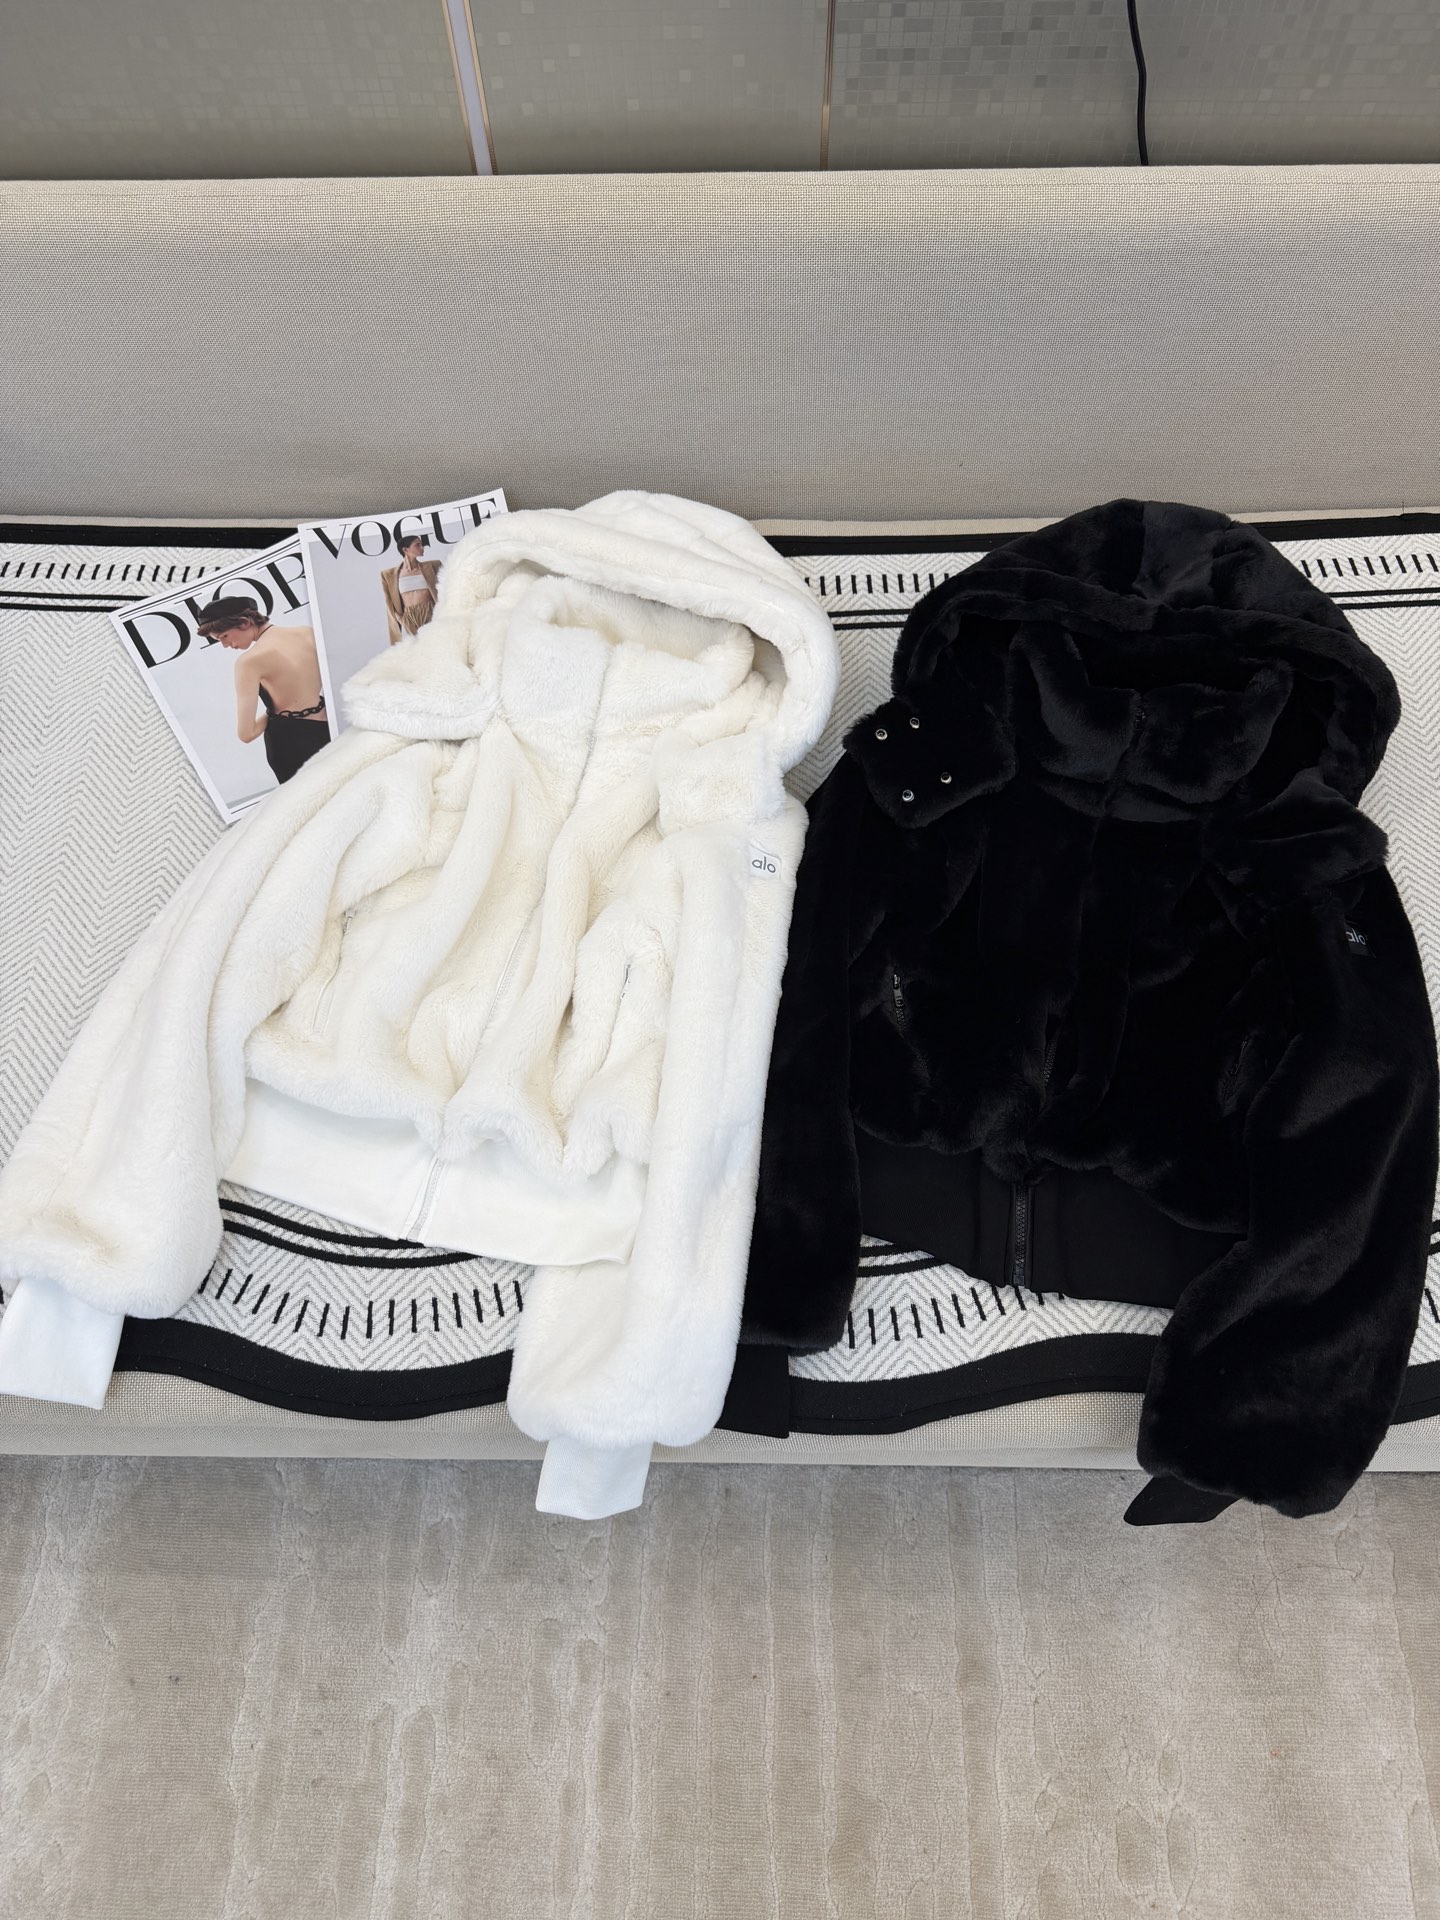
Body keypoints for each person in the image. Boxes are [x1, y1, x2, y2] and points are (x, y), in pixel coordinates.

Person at [196, 596, 329, 785]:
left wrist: (276, 711)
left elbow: (246, 733)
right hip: (330, 727)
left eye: (224, 636)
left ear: (244, 622)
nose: (225, 645)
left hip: (290, 744)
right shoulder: (308, 633)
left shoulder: (249, 662)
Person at [380, 533, 443, 645]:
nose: (422, 547)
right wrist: (401, 619)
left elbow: (447, 589)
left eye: (422, 545)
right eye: (418, 545)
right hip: (408, 619)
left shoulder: (434, 565)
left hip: (432, 614)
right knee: (416, 651)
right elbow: (389, 602)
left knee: (437, 646)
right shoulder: (389, 575)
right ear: (405, 549)